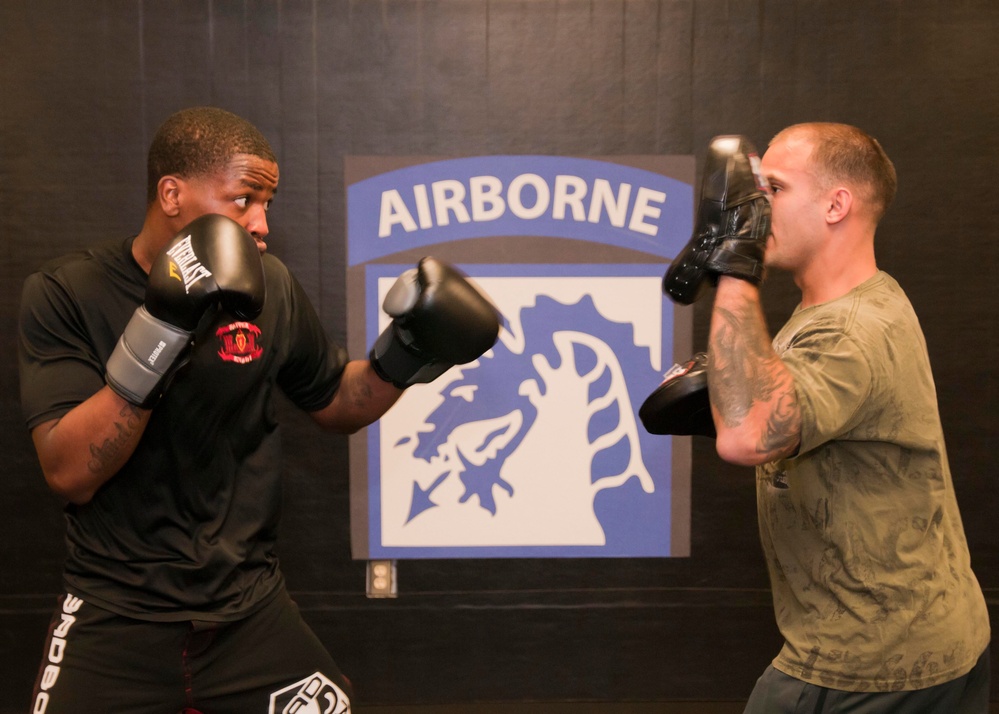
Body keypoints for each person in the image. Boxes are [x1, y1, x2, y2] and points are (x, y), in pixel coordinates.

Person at [18, 106, 499, 714]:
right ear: (172, 193)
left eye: (267, 203)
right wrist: (164, 324)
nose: (261, 223)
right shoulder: (66, 293)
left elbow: (334, 400)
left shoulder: (267, 287)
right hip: (117, 614)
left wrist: (406, 354)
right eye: (244, 200)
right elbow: (69, 471)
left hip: (247, 611)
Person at [659, 124, 991, 712]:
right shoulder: (846, 305)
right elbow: (805, 414)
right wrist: (729, 395)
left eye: (775, 190)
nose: (757, 209)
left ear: (837, 204)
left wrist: (735, 263)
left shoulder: (850, 330)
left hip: (874, 665)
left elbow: (748, 438)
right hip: (919, 637)